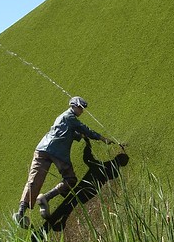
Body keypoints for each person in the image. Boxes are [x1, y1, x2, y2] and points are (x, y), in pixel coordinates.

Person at [13, 96, 113, 228]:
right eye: (80, 108)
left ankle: (20, 212)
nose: (82, 111)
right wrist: (102, 138)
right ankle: (46, 197)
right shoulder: (70, 118)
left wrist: (84, 140)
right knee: (70, 179)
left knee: (33, 180)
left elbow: (75, 135)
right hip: (57, 153)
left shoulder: (63, 119)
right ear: (74, 106)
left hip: (41, 149)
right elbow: (85, 129)